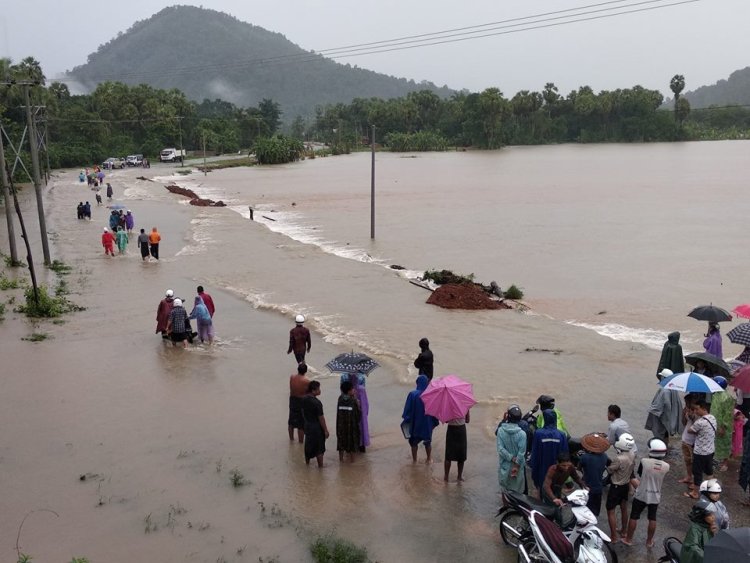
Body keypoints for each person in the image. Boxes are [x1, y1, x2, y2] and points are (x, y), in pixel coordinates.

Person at [622, 438, 669, 548]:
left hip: (642, 494)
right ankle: (649, 541)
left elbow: (639, 474)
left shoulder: (644, 462)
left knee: (634, 516)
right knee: (652, 518)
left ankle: (628, 539)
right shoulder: (666, 466)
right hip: (655, 495)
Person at [605, 432, 636, 544]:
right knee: (624, 508)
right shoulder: (632, 454)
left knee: (611, 511)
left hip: (616, 487)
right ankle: (623, 531)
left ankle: (613, 536)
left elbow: (610, 470)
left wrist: (607, 464)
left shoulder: (619, 458)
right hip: (625, 486)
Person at [530, 409, 569, 495]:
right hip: (556, 470)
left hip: (542, 469)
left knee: (542, 490)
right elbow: (565, 455)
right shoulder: (561, 435)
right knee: (555, 493)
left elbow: (535, 454)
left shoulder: (538, 434)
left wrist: (533, 469)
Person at [402, 374, 438, 463]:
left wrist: (407, 419)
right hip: (427, 423)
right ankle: (429, 459)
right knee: (428, 441)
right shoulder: (430, 395)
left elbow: (407, 410)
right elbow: (434, 411)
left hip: (415, 423)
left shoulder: (412, 394)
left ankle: (414, 460)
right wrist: (434, 422)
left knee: (414, 442)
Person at [686, 399, 716, 499]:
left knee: (697, 472)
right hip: (710, 450)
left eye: (697, 409)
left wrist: (690, 418)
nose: (695, 411)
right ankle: (711, 491)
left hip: (700, 452)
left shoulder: (700, 422)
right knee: (709, 471)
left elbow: (690, 430)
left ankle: (695, 493)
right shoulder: (713, 418)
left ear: (704, 409)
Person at [645, 368, 682, 446]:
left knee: (659, 435)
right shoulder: (673, 388)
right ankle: (666, 449)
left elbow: (659, 407)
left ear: (664, 378)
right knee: (665, 434)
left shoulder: (664, 390)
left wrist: (652, 410)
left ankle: (661, 449)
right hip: (669, 418)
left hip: (662, 418)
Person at [496, 404, 527, 493]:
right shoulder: (522, 434)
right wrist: (516, 464)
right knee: (518, 491)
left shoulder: (501, 430)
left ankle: (505, 504)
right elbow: (522, 452)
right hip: (518, 467)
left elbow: (500, 449)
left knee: (504, 489)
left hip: (505, 465)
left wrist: (511, 457)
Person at [579, 433, 610, 516]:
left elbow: (579, 468)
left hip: (587, 486)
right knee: (594, 512)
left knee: (584, 510)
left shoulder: (585, 457)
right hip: (598, 488)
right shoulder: (605, 456)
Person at [679, 499, 716, 563]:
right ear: (702, 516)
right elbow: (693, 547)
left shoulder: (707, 526)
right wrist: (706, 557)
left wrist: (711, 533)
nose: (713, 517)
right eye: (709, 515)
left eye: (713, 514)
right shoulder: (695, 528)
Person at [302, 380, 329, 467]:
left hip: (307, 425)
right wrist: (325, 430)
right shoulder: (317, 403)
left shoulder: (304, 399)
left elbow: (302, 412)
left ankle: (307, 464)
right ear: (313, 390)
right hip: (316, 427)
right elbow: (321, 418)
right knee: (319, 448)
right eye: (318, 389)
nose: (320, 391)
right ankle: (320, 467)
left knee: (308, 444)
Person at [341, 372, 370, 452]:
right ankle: (361, 446)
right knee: (361, 425)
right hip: (360, 406)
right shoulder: (361, 380)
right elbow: (365, 405)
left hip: (347, 406)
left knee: (349, 426)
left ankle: (349, 447)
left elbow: (343, 392)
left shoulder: (343, 376)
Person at [711, 376, 734, 471]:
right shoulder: (715, 394)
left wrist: (723, 426)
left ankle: (725, 463)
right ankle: (716, 460)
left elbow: (728, 414)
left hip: (723, 425)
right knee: (715, 442)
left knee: (725, 444)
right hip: (715, 422)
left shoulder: (727, 397)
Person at [336, 380, 362, 463]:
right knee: (352, 444)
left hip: (341, 426)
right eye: (352, 389)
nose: (354, 390)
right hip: (351, 426)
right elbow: (358, 416)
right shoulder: (353, 401)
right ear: (349, 391)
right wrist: (358, 405)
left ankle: (341, 460)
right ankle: (352, 461)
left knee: (341, 442)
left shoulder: (340, 398)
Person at [444, 408, 470, 482]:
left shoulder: (448, 405)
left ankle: (446, 477)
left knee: (448, 455)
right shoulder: (465, 405)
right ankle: (459, 477)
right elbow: (467, 420)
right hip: (461, 429)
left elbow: (446, 421)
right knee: (461, 455)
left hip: (451, 429)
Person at [679, 393, 699, 487]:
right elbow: (683, 423)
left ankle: (695, 480)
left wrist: (692, 416)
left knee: (694, 461)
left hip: (694, 441)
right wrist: (684, 414)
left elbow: (698, 427)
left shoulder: (698, 413)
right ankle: (689, 476)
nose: (686, 404)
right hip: (685, 438)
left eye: (688, 402)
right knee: (687, 459)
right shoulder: (687, 410)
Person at [288, 363, 310, 443]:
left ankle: (291, 440)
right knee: (301, 423)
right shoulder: (306, 381)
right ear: (306, 371)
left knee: (291, 421)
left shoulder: (292, 377)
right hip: (301, 401)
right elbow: (308, 393)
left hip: (292, 400)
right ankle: (301, 442)